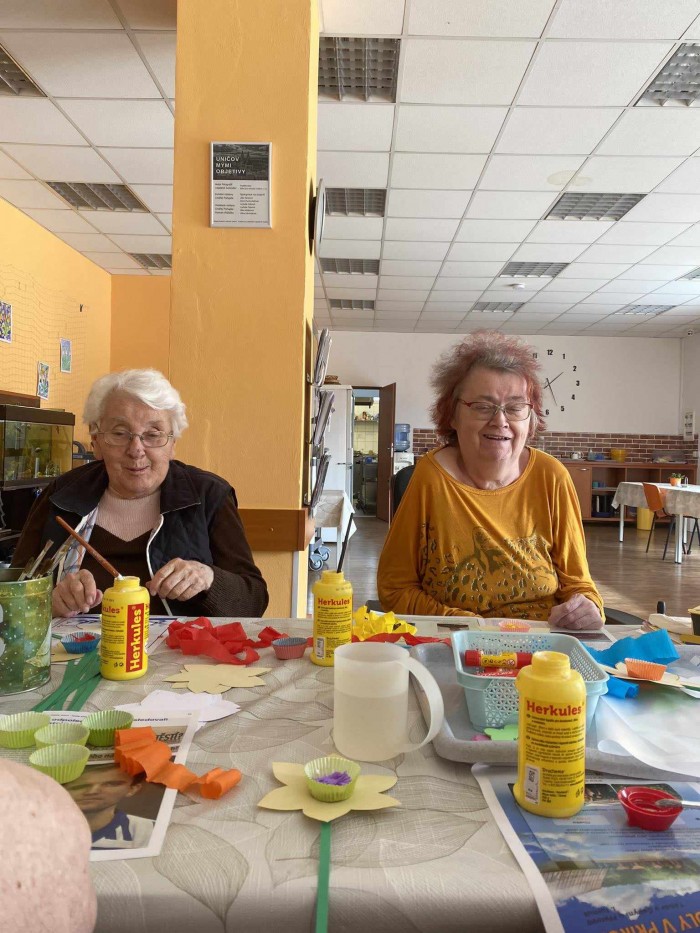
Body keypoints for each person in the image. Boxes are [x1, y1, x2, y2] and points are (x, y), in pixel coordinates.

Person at [377, 331, 604, 629]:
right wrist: (464, 624)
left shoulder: (552, 477)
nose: (500, 421)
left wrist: (587, 608)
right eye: (483, 407)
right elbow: (394, 588)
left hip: (541, 644)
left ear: (531, 420)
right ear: (452, 416)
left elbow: (580, 585)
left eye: (515, 407)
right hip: (456, 641)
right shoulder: (430, 478)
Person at [12, 369, 268, 619]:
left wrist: (208, 579)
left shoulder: (210, 496)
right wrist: (48, 602)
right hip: (78, 646)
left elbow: (253, 603)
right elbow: (11, 594)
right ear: (96, 441)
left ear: (173, 444)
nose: (136, 449)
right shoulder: (61, 494)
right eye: (119, 433)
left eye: (153, 435)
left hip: (182, 648)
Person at [65, 764, 155, 849]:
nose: (92, 791)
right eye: (81, 786)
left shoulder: (148, 829)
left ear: (132, 789)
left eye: (111, 784)